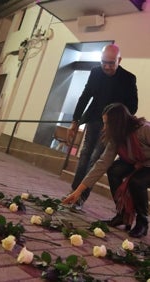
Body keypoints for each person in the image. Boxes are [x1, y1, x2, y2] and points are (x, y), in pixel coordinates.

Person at [67, 43, 138, 211]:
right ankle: (74, 192)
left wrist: (117, 118)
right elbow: (85, 97)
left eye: (111, 63)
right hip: (93, 120)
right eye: (103, 62)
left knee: (96, 159)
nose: (106, 66)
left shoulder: (128, 78)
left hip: (111, 126)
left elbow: (133, 106)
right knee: (84, 155)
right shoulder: (95, 72)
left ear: (119, 60)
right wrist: (75, 120)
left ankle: (80, 198)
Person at [63, 103, 149, 238]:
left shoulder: (144, 130)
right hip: (136, 161)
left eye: (107, 123)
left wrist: (144, 164)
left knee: (137, 182)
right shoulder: (117, 137)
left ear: (117, 122)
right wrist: (78, 191)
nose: (104, 128)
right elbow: (102, 164)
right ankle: (122, 214)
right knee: (114, 170)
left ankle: (142, 222)